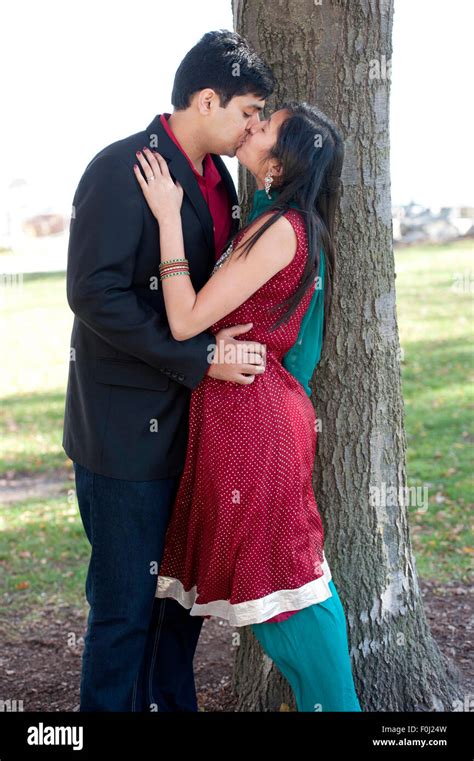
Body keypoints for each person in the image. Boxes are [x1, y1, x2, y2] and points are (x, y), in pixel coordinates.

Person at [63, 30, 276, 712]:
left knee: (179, 609)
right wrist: (201, 356)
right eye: (248, 110)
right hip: (125, 436)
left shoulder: (221, 181)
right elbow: (94, 293)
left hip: (197, 433)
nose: (254, 125)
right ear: (207, 98)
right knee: (124, 610)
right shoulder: (120, 166)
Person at [133, 97, 362, 712]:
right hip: (242, 416)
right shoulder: (267, 220)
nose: (253, 128)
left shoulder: (282, 230)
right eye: (256, 118)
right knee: (268, 581)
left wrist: (168, 218)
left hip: (255, 427)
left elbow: (183, 320)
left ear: (281, 166)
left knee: (287, 582)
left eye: (267, 128)